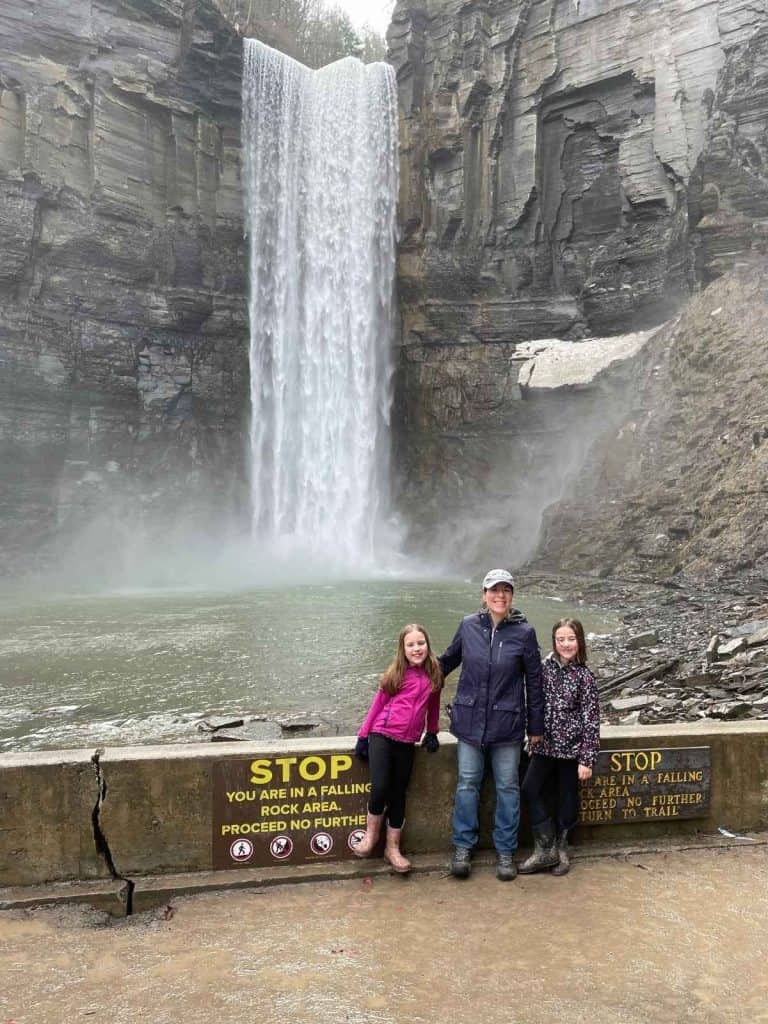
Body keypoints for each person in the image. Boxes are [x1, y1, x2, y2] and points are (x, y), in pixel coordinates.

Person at [440, 569, 544, 881]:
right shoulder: (468, 625)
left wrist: (535, 728)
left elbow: (534, 685)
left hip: (507, 724)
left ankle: (506, 852)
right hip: (470, 722)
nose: (500, 596)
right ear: (484, 595)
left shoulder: (524, 633)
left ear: (512, 596)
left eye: (506, 590)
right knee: (467, 782)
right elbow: (446, 662)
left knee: (508, 787)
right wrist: (407, 680)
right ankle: (462, 847)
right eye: (493, 590)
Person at [353, 623, 443, 873]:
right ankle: (370, 836)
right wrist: (363, 735)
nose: (417, 649)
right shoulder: (396, 673)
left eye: (420, 643)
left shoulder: (435, 673)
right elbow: (377, 704)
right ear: (402, 649)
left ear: (428, 645)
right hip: (382, 734)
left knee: (398, 794)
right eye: (411, 645)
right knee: (380, 785)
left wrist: (432, 732)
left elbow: (434, 706)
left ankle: (392, 848)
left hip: (407, 741)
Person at [519, 618, 600, 876]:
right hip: (543, 745)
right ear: (554, 641)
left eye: (571, 639)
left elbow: (591, 720)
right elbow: (533, 702)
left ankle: (562, 849)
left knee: (567, 799)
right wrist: (530, 735)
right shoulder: (544, 669)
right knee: (529, 790)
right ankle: (546, 847)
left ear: (580, 641)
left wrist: (586, 758)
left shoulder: (584, 677)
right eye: (560, 639)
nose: (566, 644)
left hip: (571, 750)